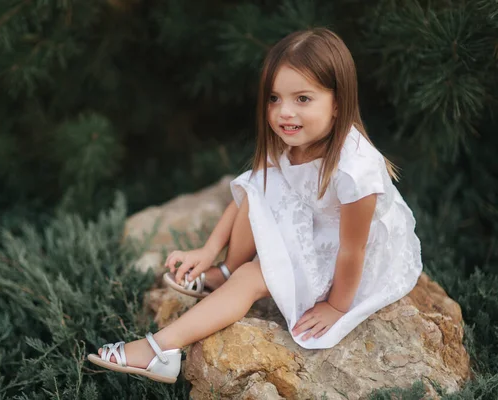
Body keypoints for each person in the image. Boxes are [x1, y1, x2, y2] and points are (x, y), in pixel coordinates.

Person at [87, 27, 423, 384]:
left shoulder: (356, 171)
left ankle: (160, 350)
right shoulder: (293, 140)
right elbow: (253, 193)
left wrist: (336, 306)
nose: (284, 112)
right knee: (260, 191)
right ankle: (226, 271)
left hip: (352, 255)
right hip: (318, 223)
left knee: (254, 276)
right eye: (274, 98)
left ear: (338, 101)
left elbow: (353, 250)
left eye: (303, 99)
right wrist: (209, 249)